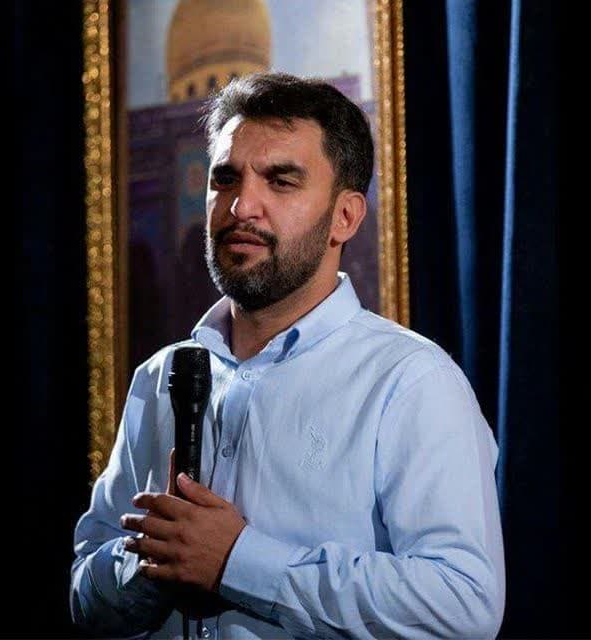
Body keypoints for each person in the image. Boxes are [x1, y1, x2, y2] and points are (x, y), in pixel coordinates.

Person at [70, 72, 505, 639]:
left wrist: (237, 562)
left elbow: (463, 606)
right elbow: (85, 598)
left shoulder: (411, 381)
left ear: (345, 217)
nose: (241, 206)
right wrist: (152, 561)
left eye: (280, 181)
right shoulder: (160, 375)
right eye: (225, 178)